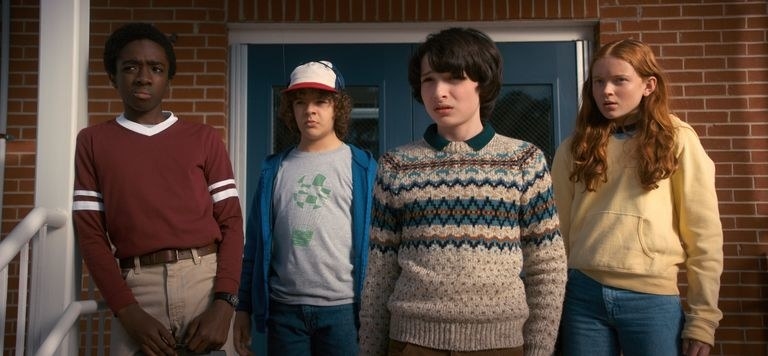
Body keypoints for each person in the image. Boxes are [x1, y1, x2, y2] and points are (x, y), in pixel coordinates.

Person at [357, 27, 568, 356]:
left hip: (500, 345)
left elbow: (547, 266)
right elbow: (380, 272)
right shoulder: (396, 165)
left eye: (453, 78)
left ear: (481, 83)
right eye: (429, 79)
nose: (439, 91)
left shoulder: (524, 160)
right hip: (413, 344)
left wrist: (539, 351)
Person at [72, 22, 244, 355]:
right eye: (130, 67)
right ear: (113, 76)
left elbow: (232, 224)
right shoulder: (93, 141)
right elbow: (90, 234)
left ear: (167, 78)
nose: (143, 76)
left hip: (204, 283)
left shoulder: (204, 138)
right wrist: (127, 310)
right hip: (137, 288)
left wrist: (224, 303)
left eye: (156, 68)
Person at [551, 38, 723, 356]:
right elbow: (556, 235)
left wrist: (702, 319)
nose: (606, 91)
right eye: (599, 82)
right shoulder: (574, 147)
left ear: (648, 85)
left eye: (620, 80)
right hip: (582, 297)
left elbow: (705, 237)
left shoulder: (678, 140)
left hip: (652, 298)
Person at [233, 60, 377, 356]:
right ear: (291, 109)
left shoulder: (362, 167)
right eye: (300, 102)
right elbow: (255, 248)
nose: (309, 110)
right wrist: (244, 307)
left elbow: (381, 249)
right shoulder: (273, 169)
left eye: (321, 102)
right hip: (284, 311)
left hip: (344, 312)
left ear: (337, 107)